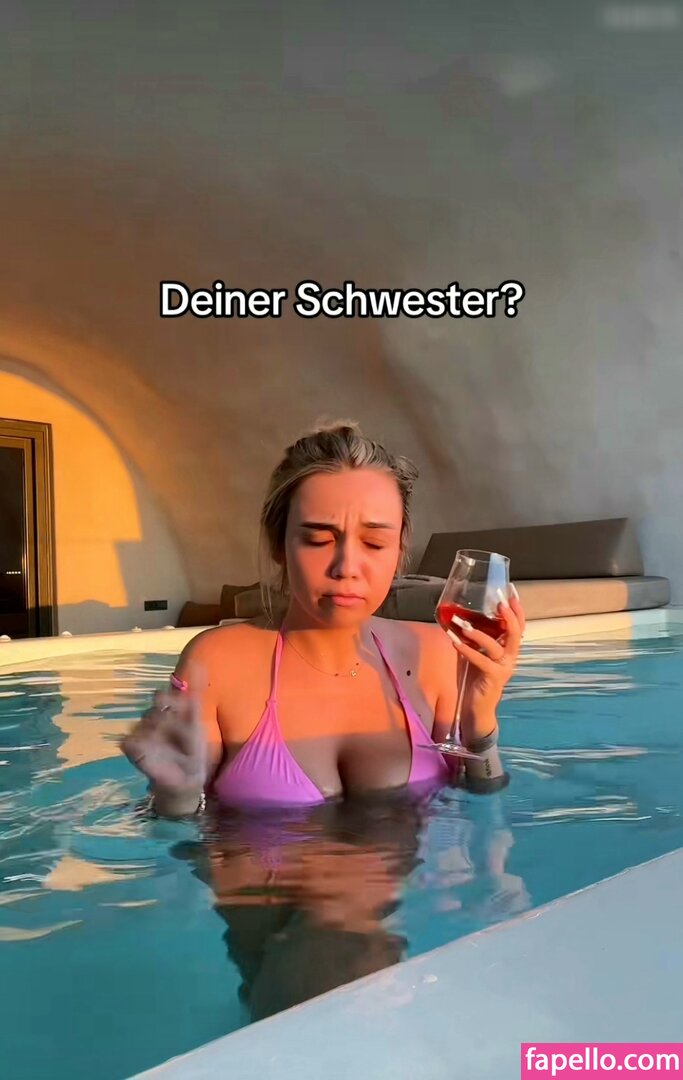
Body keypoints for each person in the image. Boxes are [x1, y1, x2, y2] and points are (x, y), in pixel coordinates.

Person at [121, 419, 525, 817]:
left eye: (374, 543)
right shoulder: (217, 663)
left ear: (399, 549)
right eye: (318, 540)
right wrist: (175, 797)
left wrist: (480, 726)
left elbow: (482, 806)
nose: (346, 567)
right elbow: (176, 833)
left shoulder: (435, 654)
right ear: (278, 545)